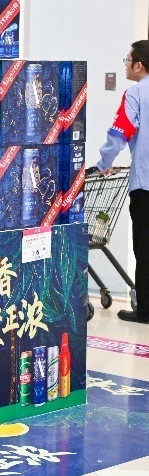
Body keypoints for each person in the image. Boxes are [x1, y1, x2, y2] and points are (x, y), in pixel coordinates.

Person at [97, 40, 149, 322]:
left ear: (139, 65)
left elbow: (120, 132)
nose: (126, 65)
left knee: (145, 247)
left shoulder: (136, 93)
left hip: (145, 184)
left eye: (128, 60)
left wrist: (104, 162)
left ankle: (145, 310)